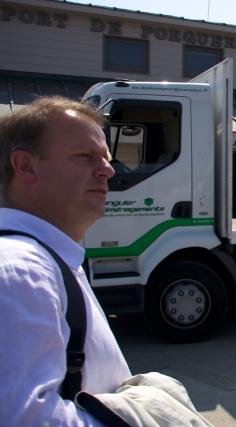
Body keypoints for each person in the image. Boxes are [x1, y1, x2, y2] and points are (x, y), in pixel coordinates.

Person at [0, 97, 131, 425]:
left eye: (106, 158)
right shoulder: (21, 271)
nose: (108, 170)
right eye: (85, 156)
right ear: (26, 166)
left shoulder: (45, 261)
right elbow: (23, 418)